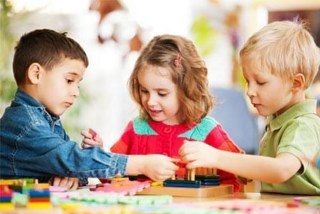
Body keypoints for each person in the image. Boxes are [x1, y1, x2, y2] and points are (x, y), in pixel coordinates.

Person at [0, 29, 178, 190]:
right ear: (36, 74)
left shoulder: (46, 120)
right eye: (69, 80)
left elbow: (72, 166)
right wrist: (141, 164)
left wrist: (71, 176)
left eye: (78, 83)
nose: (76, 92)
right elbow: (72, 159)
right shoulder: (26, 124)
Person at [179, 20, 320, 195]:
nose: (250, 91)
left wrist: (216, 157)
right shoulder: (278, 120)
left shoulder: (303, 124)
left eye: (260, 82)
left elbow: (281, 169)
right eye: (248, 81)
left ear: (296, 83)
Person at [97, 34, 244, 191]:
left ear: (187, 89)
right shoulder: (136, 128)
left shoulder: (207, 130)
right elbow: (109, 173)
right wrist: (97, 152)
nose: (150, 101)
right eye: (144, 91)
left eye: (162, 93)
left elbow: (237, 179)